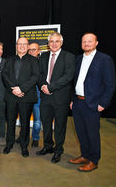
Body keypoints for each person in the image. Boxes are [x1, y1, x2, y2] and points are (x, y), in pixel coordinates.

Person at [69, 33, 116, 172]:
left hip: (93, 103)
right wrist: (73, 99)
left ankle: (93, 161)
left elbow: (110, 84)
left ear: (96, 43)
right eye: (84, 41)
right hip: (78, 102)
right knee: (81, 132)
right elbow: (75, 82)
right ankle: (85, 156)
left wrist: (103, 103)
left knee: (92, 133)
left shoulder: (105, 60)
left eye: (90, 41)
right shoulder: (78, 59)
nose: (87, 44)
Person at [36, 32, 75, 163]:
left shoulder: (69, 57)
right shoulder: (43, 56)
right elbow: (39, 74)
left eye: (56, 41)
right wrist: (42, 86)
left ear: (61, 43)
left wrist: (50, 87)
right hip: (45, 97)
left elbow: (68, 77)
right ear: (48, 44)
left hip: (60, 99)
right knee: (46, 124)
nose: (53, 44)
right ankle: (47, 147)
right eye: (51, 41)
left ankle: (58, 150)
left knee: (59, 126)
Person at [2, 37, 39, 157]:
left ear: (28, 46)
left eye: (24, 44)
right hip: (11, 96)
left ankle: (24, 146)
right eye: (19, 44)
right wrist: (13, 89)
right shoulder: (9, 59)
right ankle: (9, 144)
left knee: (25, 122)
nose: (22, 46)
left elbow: (35, 77)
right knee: (11, 121)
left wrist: (21, 89)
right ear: (16, 46)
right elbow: (4, 75)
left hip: (26, 96)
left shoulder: (34, 60)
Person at [28, 43, 42, 147]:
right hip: (26, 94)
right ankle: (22, 136)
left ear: (39, 51)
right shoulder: (24, 61)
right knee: (24, 118)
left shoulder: (43, 63)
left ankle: (35, 138)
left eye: (34, 49)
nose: (32, 51)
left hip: (38, 95)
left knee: (37, 120)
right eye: (30, 50)